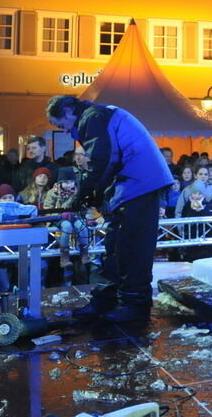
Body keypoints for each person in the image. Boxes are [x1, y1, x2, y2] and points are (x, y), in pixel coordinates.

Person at [46, 95, 173, 322]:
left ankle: (134, 305)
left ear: (68, 111)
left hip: (140, 185)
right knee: (115, 245)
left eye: (60, 125)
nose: (63, 130)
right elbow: (108, 161)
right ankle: (107, 300)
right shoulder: (98, 115)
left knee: (131, 247)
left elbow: (103, 160)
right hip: (136, 184)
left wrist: (82, 195)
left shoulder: (93, 118)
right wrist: (95, 193)